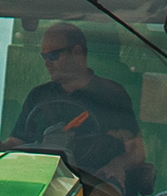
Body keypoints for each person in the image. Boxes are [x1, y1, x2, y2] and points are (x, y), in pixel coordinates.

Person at [11, 24, 145, 186]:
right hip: (41, 182)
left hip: (96, 186)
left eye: (53, 55)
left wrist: (116, 166)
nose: (47, 62)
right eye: (44, 56)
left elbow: (135, 151)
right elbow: (18, 141)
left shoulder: (112, 95)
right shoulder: (38, 96)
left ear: (77, 52)